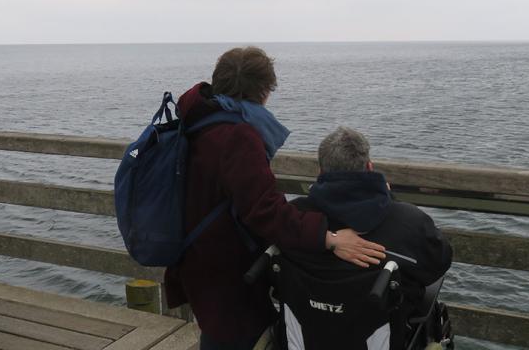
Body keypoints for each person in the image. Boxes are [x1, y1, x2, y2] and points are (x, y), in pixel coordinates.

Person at [163, 47, 386, 350]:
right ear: (265, 90)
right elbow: (264, 210)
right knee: (235, 337)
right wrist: (329, 238)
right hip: (225, 270)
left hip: (196, 259)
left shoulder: (199, 120)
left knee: (217, 333)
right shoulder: (237, 135)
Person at [287, 126, 453, 317]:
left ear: (320, 172)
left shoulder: (293, 217)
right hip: (383, 329)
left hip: (306, 327)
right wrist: (389, 199)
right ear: (369, 167)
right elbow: (439, 263)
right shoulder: (409, 221)